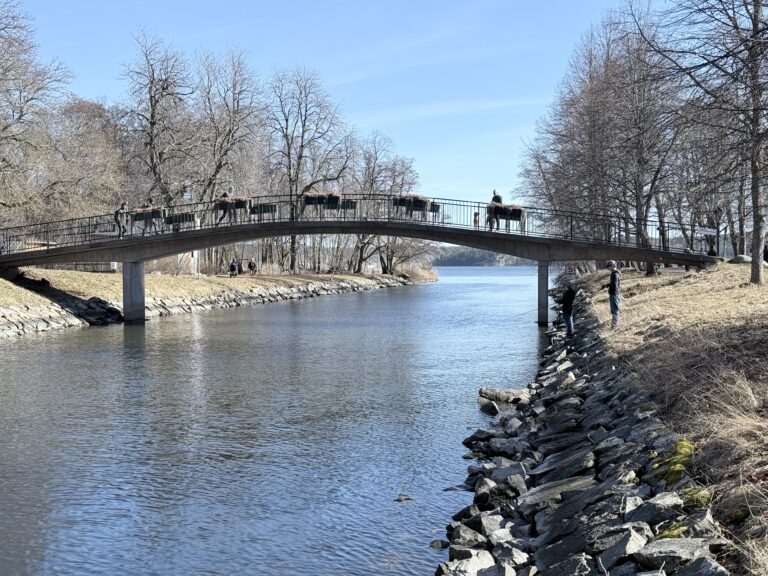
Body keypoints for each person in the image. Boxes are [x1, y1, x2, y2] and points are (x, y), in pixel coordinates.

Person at [602, 260, 621, 328]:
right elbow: (613, 283)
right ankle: (614, 324)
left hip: (614, 294)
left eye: (609, 267)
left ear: (612, 266)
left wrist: (609, 288)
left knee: (615, 309)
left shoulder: (615, 274)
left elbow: (615, 285)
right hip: (613, 293)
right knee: (613, 309)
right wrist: (606, 285)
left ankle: (615, 325)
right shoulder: (613, 273)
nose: (608, 268)